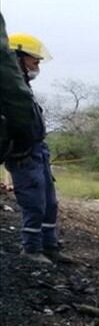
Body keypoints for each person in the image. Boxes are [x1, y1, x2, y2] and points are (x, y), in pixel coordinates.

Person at [4, 31, 72, 265]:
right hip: (23, 154)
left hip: (38, 150)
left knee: (49, 203)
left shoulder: (21, 87)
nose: (38, 64)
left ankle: (50, 246)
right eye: (34, 59)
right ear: (17, 58)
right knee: (34, 203)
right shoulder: (7, 90)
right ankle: (31, 249)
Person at [0, 12, 39, 191]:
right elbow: (19, 107)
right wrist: (22, 142)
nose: (36, 67)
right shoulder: (13, 86)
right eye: (35, 62)